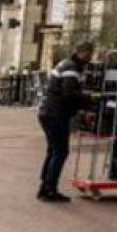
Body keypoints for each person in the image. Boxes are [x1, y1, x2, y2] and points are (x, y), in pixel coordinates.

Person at [36, 45, 94, 203]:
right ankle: (49, 189)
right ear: (81, 53)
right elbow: (68, 94)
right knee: (61, 151)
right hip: (56, 114)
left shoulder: (66, 64)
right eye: (89, 54)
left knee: (53, 150)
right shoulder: (72, 68)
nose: (90, 58)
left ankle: (45, 187)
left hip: (47, 112)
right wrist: (88, 98)